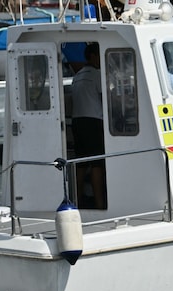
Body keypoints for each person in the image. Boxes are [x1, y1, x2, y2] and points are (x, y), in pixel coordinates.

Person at [71, 42, 107, 209]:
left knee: (81, 163)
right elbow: (106, 97)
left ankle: (77, 201)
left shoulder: (77, 76)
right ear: (93, 56)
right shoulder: (97, 74)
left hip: (77, 122)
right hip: (93, 121)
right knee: (97, 164)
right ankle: (100, 203)